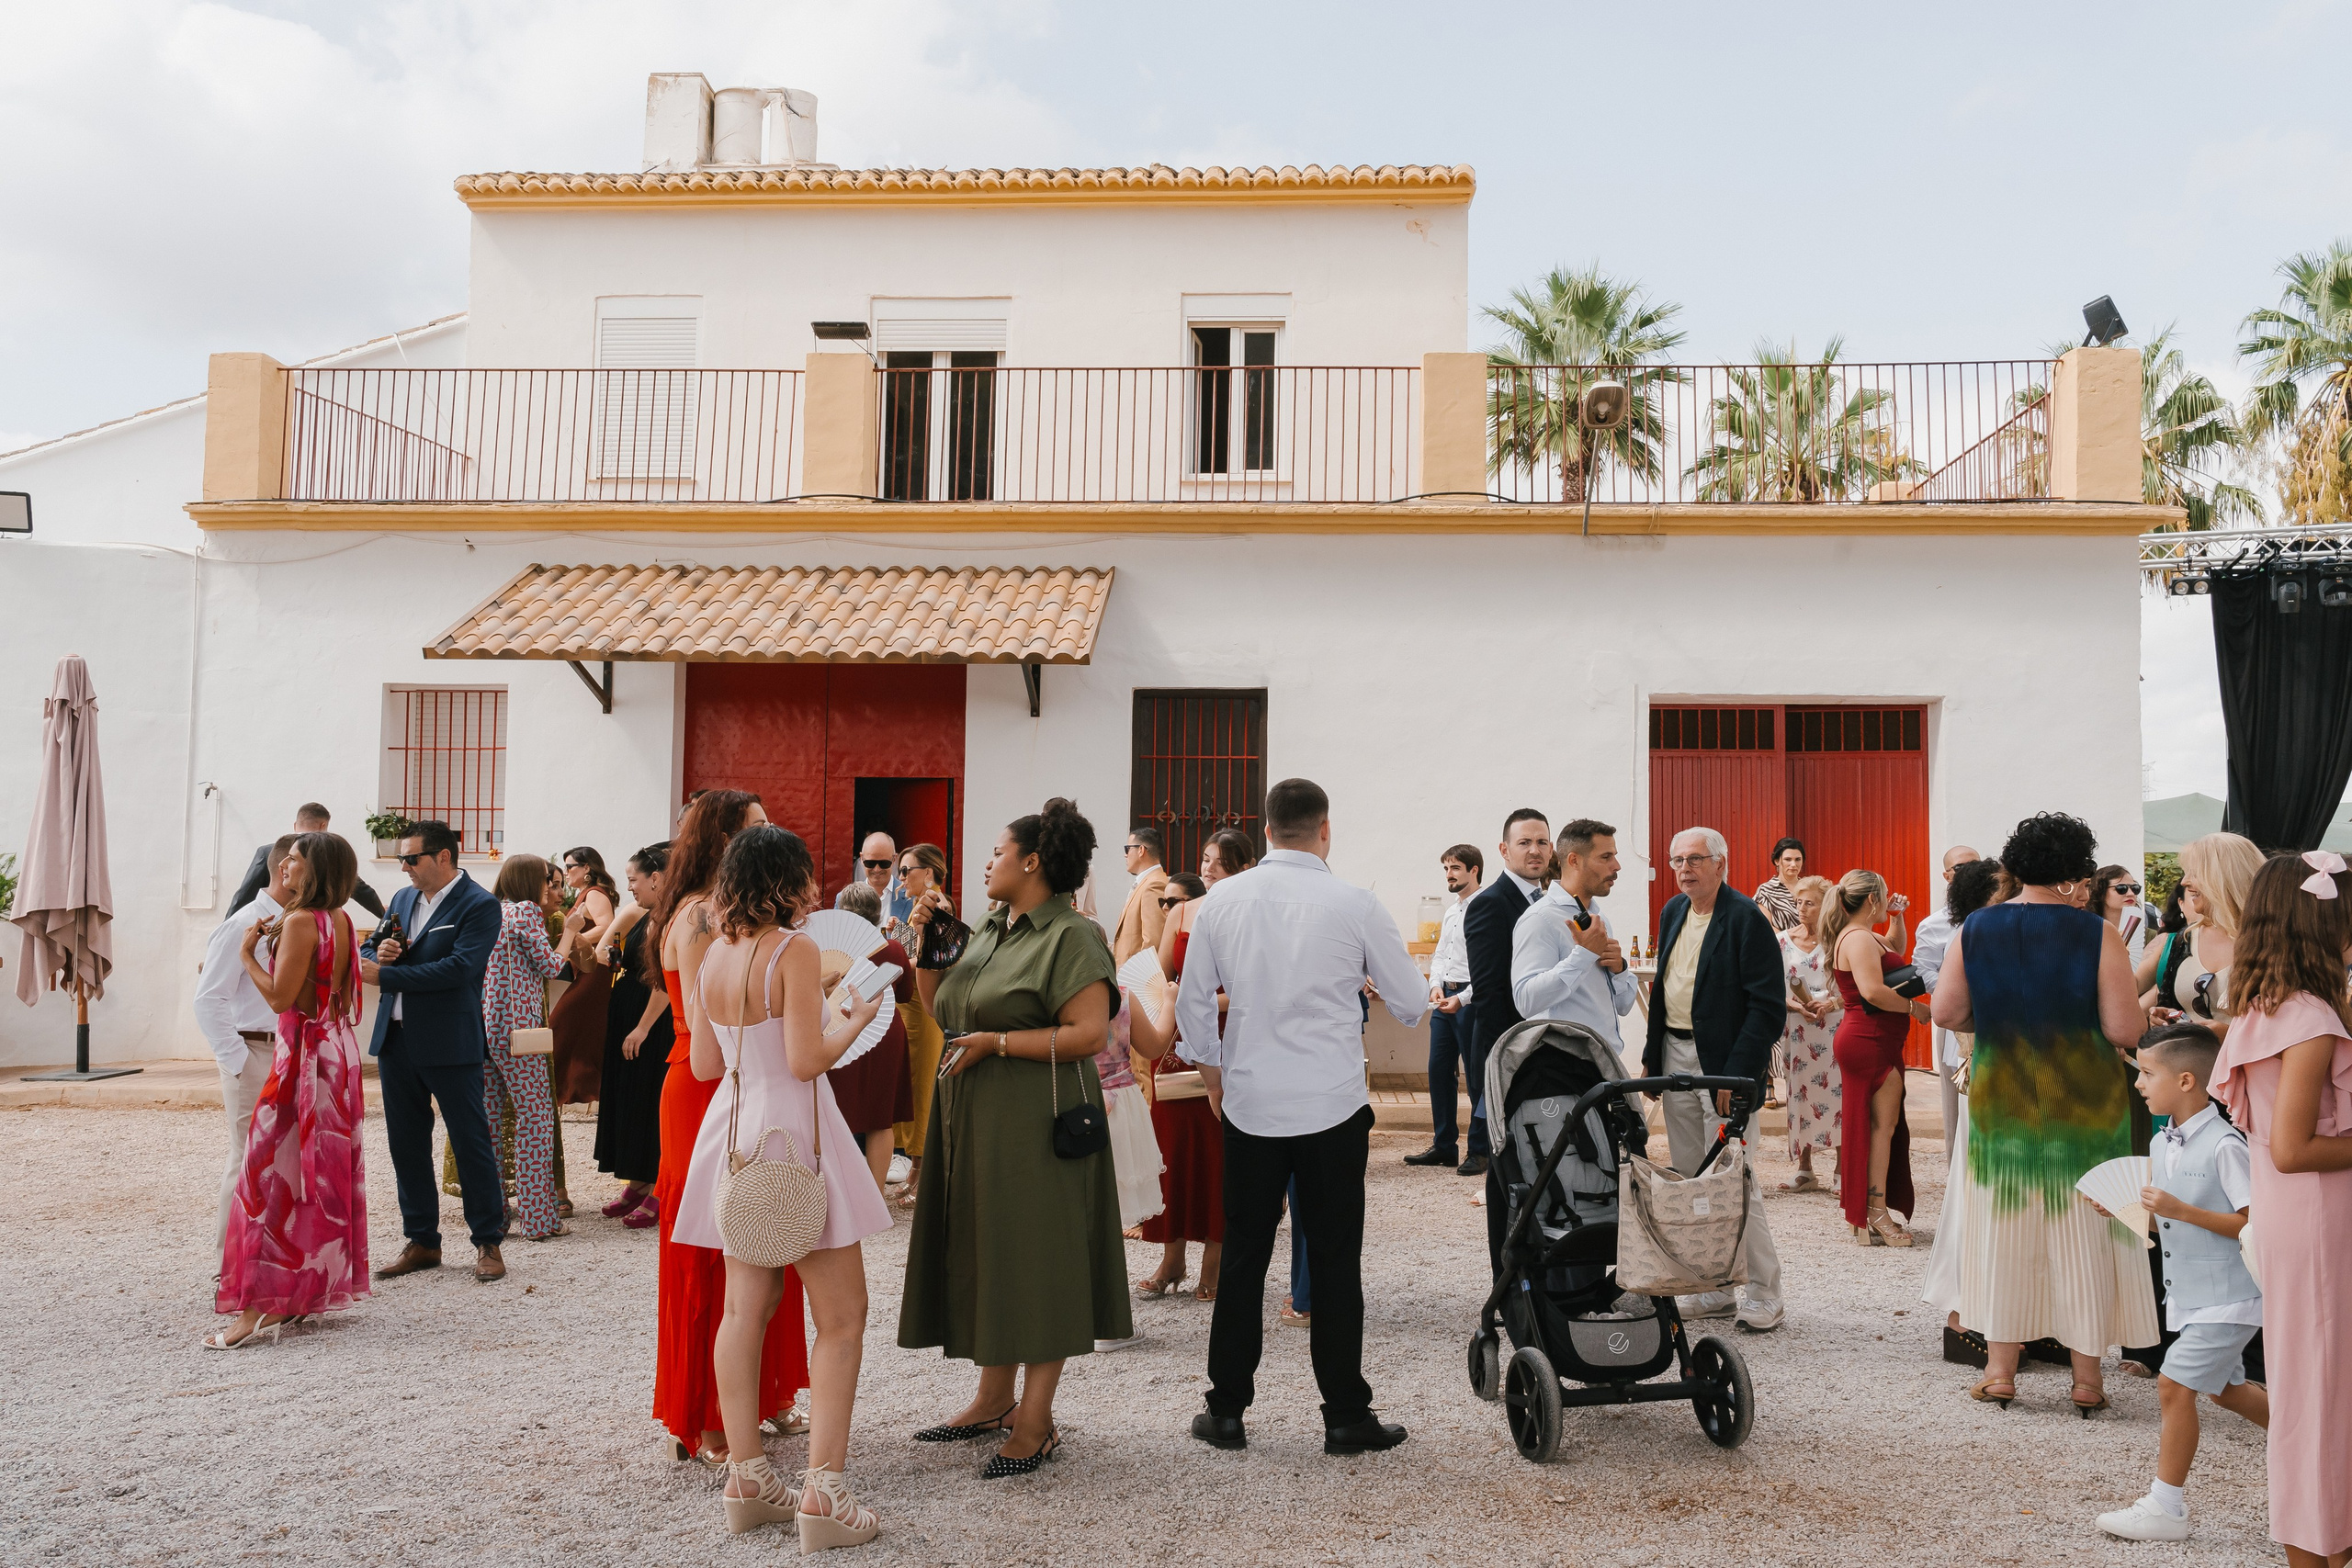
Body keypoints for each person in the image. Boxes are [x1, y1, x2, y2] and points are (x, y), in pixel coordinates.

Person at [1175, 778, 1427, 1456]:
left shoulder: (1219, 900)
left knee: (1245, 1257)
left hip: (1252, 1102)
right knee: (1338, 1259)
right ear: (1325, 829)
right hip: (1331, 1103)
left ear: (1265, 828)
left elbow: (1194, 1004)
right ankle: (1345, 1413)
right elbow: (1409, 1001)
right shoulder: (1356, 902)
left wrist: (1211, 1076)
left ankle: (1226, 1409)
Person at [899, 798, 1129, 1480]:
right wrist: (930, 945)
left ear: (1032, 861)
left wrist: (998, 1042)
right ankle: (994, 1398)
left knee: (1037, 1258)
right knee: (988, 1248)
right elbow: (941, 1005)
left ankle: (1036, 1420)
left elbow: (1089, 1034)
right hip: (974, 1113)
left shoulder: (1072, 936)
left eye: (997, 851)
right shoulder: (993, 925)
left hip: (1037, 1120)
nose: (987, 862)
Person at [677, 824, 891, 1548]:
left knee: (745, 1308)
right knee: (843, 1314)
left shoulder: (711, 955)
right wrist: (849, 1017)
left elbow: (706, 1064)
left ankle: (747, 1474)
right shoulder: (794, 949)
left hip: (735, 1130)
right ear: (784, 882)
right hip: (797, 1132)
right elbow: (806, 1060)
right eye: (802, 875)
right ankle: (824, 1493)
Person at [1929, 811, 2156, 1412]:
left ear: (2016, 864)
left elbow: (1946, 1011)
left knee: (2006, 1230)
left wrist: (2002, 1019)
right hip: (2085, 1106)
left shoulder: (1975, 928)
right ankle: (2087, 1381)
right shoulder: (2097, 935)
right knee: (2085, 1232)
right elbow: (2123, 1026)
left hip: (2003, 1100)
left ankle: (2001, 1371)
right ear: (2074, 874)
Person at [651, 790, 809, 1464]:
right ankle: (709, 1417)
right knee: (718, 1245)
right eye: (758, 826)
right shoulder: (696, 918)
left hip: (740, 1084)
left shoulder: (724, 915)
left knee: (767, 1233)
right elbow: (710, 1030)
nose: (771, 831)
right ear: (726, 841)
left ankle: (762, 1393)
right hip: (708, 1087)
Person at [2211, 850, 2352, 1567]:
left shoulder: (2264, 1006)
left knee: (2312, 1385)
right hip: (2321, 1215)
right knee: (2324, 1390)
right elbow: (2296, 1146)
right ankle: (2321, 1545)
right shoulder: (2312, 1016)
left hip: (2290, 1213)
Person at [2092, 1021, 2269, 1542]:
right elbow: (2166, 1219)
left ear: (2188, 1081)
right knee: (2228, 1392)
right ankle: (2321, 1444)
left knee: (2173, 1386)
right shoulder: (2159, 1140)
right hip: (2189, 1296)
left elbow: (2255, 1225)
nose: (2139, 1083)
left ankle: (2166, 1507)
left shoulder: (2225, 1145)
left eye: (2147, 1073)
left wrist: (2179, 1210)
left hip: (2231, 1296)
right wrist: (2126, 1211)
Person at [206, 832, 370, 1349]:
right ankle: (299, 1294)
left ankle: (254, 1306)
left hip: (302, 1056)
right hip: (335, 1052)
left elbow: (281, 998)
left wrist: (249, 954)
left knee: (268, 1173)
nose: (286, 865)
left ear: (314, 868)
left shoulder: (301, 922)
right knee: (313, 1173)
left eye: (296, 858)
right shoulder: (340, 920)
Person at [1644, 825, 1787, 1333]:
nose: (1684, 868)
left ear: (1721, 864)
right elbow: (1663, 993)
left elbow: (1768, 1009)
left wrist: (1734, 1073)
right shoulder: (1673, 912)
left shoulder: (1747, 920)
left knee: (1734, 1181)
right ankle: (1711, 1290)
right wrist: (1651, 1061)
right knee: (1691, 1180)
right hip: (1675, 1058)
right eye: (1677, 859)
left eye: (1696, 859)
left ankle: (1765, 1292)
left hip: (1723, 1067)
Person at [361, 819, 508, 1284]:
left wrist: (386, 977)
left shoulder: (480, 905)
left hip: (450, 1040)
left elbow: (461, 968)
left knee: (470, 1142)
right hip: (397, 1040)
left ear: (443, 857)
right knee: (405, 1143)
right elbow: (372, 944)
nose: (403, 866)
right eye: (401, 858)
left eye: (411, 858)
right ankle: (422, 1240)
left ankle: (487, 1241)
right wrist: (379, 949)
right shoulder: (403, 899)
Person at [1142, 840, 1252, 1298]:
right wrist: (1178, 1001)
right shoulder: (1180, 913)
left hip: (1234, 1034)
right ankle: (1171, 1258)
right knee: (1170, 1147)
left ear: (1244, 869)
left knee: (1220, 1152)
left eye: (1219, 863)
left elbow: (1255, 986)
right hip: (1179, 1035)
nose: (1208, 869)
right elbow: (1162, 973)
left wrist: (1200, 997)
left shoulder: (1251, 914)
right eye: (1205, 860)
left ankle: (1215, 1261)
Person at [1920, 855, 2007, 1362]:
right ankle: (1964, 1315)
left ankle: (1990, 1311)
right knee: (1973, 1184)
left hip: (1989, 1065)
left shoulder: (1981, 933)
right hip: (1979, 1062)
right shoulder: (1971, 937)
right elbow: (1951, 1010)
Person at [194, 833, 299, 1253]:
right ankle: (229, 1264)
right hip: (252, 1049)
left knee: (287, 1157)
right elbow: (208, 998)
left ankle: (273, 1256)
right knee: (247, 1158)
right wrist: (237, 1059)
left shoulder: (302, 923)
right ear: (284, 871)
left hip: (292, 1049)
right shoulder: (240, 924)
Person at [1823, 870, 1932, 1246]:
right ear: (1872, 900)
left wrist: (1898, 918)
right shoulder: (1858, 939)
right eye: (1884, 896)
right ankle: (1875, 1211)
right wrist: (1914, 1008)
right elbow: (1873, 991)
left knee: (1876, 1126)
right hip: (1869, 1039)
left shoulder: (1862, 935)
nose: (1888, 900)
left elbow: (1893, 950)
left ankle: (1869, 1207)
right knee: (1881, 1128)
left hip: (1873, 1038)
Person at [481, 855, 569, 1242]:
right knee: (536, 1121)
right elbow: (550, 966)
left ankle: (495, 1217)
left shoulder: (491, 910)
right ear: (531, 881)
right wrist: (570, 932)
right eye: (547, 880)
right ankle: (539, 1220)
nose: (550, 887)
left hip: (486, 1024)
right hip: (520, 1029)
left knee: (492, 1123)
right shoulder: (525, 911)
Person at [1463, 810, 1555, 1183]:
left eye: (1542, 842)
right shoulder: (1490, 904)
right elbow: (1488, 992)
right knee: (1512, 1158)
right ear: (1504, 849)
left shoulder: (1550, 901)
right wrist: (1515, 1053)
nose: (1535, 850)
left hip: (1545, 1045)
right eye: (1525, 842)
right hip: (1512, 1049)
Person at [593, 843, 672, 1226]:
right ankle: (638, 1178)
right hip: (628, 1009)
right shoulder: (645, 913)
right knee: (632, 1097)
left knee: (652, 1098)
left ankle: (659, 1185)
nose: (630, 889)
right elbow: (607, 950)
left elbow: (668, 981)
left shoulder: (675, 917)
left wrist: (643, 1026)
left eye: (633, 880)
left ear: (656, 878)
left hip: (654, 1021)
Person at [829, 882, 915, 1194]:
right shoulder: (892, 949)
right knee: (881, 1119)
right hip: (884, 1033)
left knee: (835, 1114)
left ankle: (840, 1195)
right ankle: (875, 1197)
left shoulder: (828, 947)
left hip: (840, 1029)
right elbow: (905, 995)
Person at [1407, 844, 1483, 1168]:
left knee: (1477, 1077)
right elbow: (1440, 955)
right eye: (1446, 869)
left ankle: (1480, 1150)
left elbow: (1492, 965)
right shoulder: (1451, 911)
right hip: (1444, 1000)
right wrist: (1435, 985)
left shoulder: (1485, 907)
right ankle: (1444, 1146)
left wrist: (1462, 998)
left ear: (1474, 871)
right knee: (1439, 1072)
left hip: (1471, 1001)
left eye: (1455, 868)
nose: (1449, 875)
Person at [1912, 844, 1984, 1159]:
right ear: (1946, 876)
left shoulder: (1998, 913)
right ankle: (1956, 1170)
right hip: (1957, 1018)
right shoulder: (1935, 924)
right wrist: (1950, 993)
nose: (1968, 873)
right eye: (1960, 868)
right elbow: (1922, 968)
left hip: (1994, 1019)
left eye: (1974, 866)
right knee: (1955, 1102)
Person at [2163, 832, 2265, 1040]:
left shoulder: (2272, 942)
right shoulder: (2185, 939)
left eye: (2196, 873)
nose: (2184, 882)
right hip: (2190, 1067)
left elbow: (2292, 1031)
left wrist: (2227, 1036)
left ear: (2227, 877)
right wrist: (2165, 1016)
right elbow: (2169, 1003)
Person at [1776, 874, 1841, 1191]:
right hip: (1799, 1029)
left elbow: (1849, 985)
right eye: (1798, 902)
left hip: (1833, 1027)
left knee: (1838, 1094)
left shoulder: (1838, 939)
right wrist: (1795, 1005)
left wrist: (1828, 1004)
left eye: (1810, 903)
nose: (1802, 908)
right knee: (1800, 1093)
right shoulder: (1782, 940)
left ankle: (1842, 1168)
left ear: (1824, 905)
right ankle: (1805, 1168)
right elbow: (1774, 986)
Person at [547, 847, 619, 1111]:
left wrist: (571, 941)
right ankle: (567, 1089)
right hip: (587, 971)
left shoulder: (595, 894)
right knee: (575, 1032)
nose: (566, 872)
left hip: (595, 974)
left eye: (570, 867)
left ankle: (555, 1091)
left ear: (587, 868)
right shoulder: (582, 896)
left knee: (560, 1025)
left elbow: (607, 925)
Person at [228, 802, 385, 919]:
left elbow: (244, 895)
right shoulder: (328, 854)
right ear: (323, 825)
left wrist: (226, 927)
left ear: (295, 825)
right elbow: (361, 890)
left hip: (271, 922)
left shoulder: (267, 851)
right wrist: (384, 915)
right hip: (317, 923)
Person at [1111, 825, 1170, 964]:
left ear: (1141, 850)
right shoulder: (1146, 882)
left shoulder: (1154, 885)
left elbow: (1153, 941)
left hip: (1135, 979)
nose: (1125, 854)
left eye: (1128, 849)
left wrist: (1139, 979)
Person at [835, 830, 909, 925]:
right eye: (870, 863)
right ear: (861, 858)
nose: (877, 869)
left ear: (894, 859)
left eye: (884, 863)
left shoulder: (910, 897)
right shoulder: (842, 898)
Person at [2091, 863, 2147, 966]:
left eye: (2135, 888)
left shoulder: (2149, 936)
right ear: (2100, 892)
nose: (2131, 894)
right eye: (2121, 888)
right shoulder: (2088, 932)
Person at [1753, 837, 1807, 932]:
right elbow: (1765, 926)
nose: (1794, 864)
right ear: (1777, 861)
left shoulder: (1809, 888)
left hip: (1812, 945)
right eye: (1788, 859)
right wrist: (1792, 943)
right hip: (1780, 945)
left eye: (1798, 859)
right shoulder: (1766, 891)